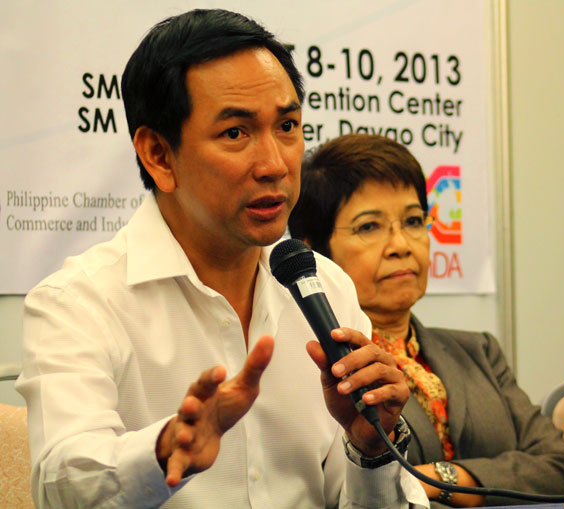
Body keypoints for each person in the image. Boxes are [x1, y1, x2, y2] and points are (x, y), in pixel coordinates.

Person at [16, 9, 428, 508]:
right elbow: (61, 484)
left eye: (288, 125)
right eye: (236, 133)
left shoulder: (326, 287)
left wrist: (369, 448)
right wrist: (164, 452)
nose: (275, 164)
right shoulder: (77, 302)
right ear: (159, 155)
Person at [288, 134, 564, 507]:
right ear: (313, 249)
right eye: (369, 227)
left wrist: (442, 478)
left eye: (414, 221)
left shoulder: (478, 350)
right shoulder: (321, 372)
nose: (402, 244)